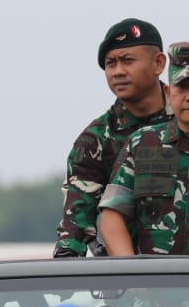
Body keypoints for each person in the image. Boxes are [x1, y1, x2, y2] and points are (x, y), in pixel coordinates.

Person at [100, 40, 189, 257]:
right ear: (169, 92)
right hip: (155, 286)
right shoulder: (142, 143)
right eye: (182, 87)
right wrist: (133, 275)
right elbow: (112, 216)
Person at [56, 18, 171, 258]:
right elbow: (75, 224)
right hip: (131, 281)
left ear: (158, 63)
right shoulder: (95, 141)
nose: (118, 71)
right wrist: (64, 262)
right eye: (111, 64)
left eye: (128, 60)